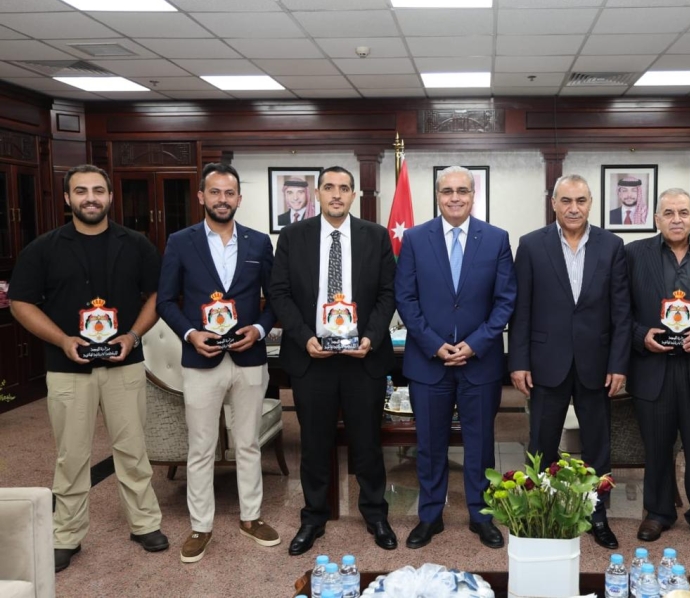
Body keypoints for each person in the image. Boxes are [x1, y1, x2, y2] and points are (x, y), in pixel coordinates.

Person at [8, 164, 168, 572]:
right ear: (67, 198)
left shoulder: (137, 244)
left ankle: (144, 523)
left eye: (98, 190)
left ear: (111, 197)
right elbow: (21, 302)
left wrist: (133, 335)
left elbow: (157, 295)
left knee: (132, 450)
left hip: (124, 364)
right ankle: (66, 534)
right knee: (71, 455)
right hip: (67, 367)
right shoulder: (43, 248)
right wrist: (62, 340)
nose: (90, 198)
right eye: (81, 191)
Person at [268, 166, 398, 556]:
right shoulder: (293, 236)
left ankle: (375, 513)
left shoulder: (375, 236)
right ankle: (313, 517)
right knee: (314, 443)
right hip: (312, 358)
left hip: (362, 358)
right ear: (317, 194)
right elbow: (279, 293)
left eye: (344, 188)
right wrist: (304, 337)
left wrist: (371, 337)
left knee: (368, 443)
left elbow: (388, 292)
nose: (336, 194)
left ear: (354, 195)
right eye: (329, 187)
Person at [157, 163, 280, 563]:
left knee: (248, 442)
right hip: (201, 358)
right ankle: (201, 526)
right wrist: (190, 334)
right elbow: (165, 301)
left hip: (249, 357)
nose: (222, 199)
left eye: (229, 193)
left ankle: (251, 517)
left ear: (239, 198)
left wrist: (259, 330)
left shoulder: (259, 243)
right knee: (201, 447)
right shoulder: (180, 241)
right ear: (201, 197)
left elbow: (275, 298)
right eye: (215, 192)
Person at [395, 166, 516, 550]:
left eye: (462, 190)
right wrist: (434, 344)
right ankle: (430, 516)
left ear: (473, 195)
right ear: (437, 195)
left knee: (480, 444)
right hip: (428, 361)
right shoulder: (415, 238)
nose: (455, 197)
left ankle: (482, 516)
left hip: (479, 362)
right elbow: (406, 298)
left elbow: (505, 300)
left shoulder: (496, 239)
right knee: (430, 445)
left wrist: (475, 344)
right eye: (447, 191)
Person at [508, 173, 630, 550]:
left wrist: (618, 364)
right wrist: (518, 362)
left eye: (580, 200)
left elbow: (621, 312)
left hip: (597, 364)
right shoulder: (531, 245)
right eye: (566, 201)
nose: (573, 208)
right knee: (541, 444)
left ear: (590, 203)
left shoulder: (612, 246)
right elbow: (521, 310)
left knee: (597, 445)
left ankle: (597, 514)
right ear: (554, 204)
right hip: (546, 362)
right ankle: (540, 509)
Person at [624, 189, 690, 548]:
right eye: (668, 213)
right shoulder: (634, 254)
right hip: (652, 366)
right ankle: (657, 513)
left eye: (683, 212)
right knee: (656, 446)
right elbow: (620, 309)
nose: (676, 219)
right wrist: (641, 336)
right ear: (656, 219)